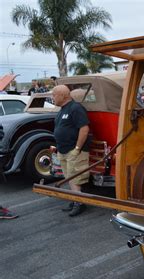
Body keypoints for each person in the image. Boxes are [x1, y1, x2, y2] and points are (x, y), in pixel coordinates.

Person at [52, 85, 90, 216]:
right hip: (63, 150)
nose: (53, 98)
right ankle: (75, 200)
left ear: (63, 95)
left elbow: (84, 129)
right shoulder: (62, 110)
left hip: (74, 150)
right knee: (69, 177)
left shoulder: (76, 108)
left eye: (54, 95)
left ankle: (79, 203)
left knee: (75, 178)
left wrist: (77, 149)